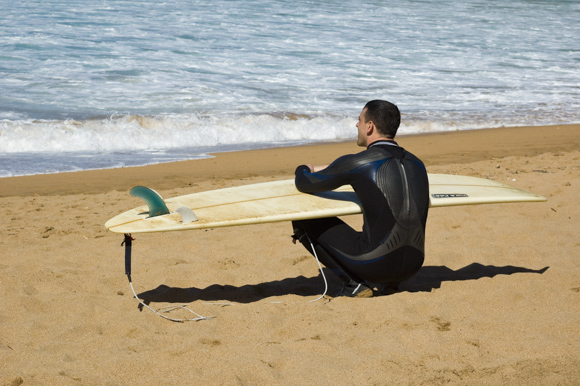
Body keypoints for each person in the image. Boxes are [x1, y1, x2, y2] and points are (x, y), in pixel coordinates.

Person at [292, 100, 429, 297]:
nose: (357, 125)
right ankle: (392, 284)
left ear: (370, 126)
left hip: (375, 265)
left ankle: (352, 285)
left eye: (359, 120)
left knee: (303, 218)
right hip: (413, 265)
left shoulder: (360, 162)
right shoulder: (417, 164)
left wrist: (303, 168)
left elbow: (305, 182)